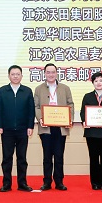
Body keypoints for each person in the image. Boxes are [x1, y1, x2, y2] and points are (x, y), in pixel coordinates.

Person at [33, 62, 74, 191]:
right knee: (47, 156)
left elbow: (70, 104)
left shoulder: (65, 88)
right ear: (44, 74)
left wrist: (69, 119)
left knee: (59, 155)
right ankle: (47, 182)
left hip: (61, 127)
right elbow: (36, 106)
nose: (51, 74)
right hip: (46, 127)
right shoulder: (39, 89)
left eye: (53, 72)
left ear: (57, 73)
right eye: (48, 72)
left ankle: (59, 181)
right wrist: (40, 118)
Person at [0, 65, 35, 192]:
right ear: (9, 76)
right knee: (7, 158)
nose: (15, 76)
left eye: (18, 74)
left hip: (23, 129)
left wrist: (30, 126)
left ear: (22, 76)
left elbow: (31, 110)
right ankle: (6, 183)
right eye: (13, 74)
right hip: (7, 130)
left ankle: (22, 183)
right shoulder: (2, 90)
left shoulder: (27, 91)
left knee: (22, 158)